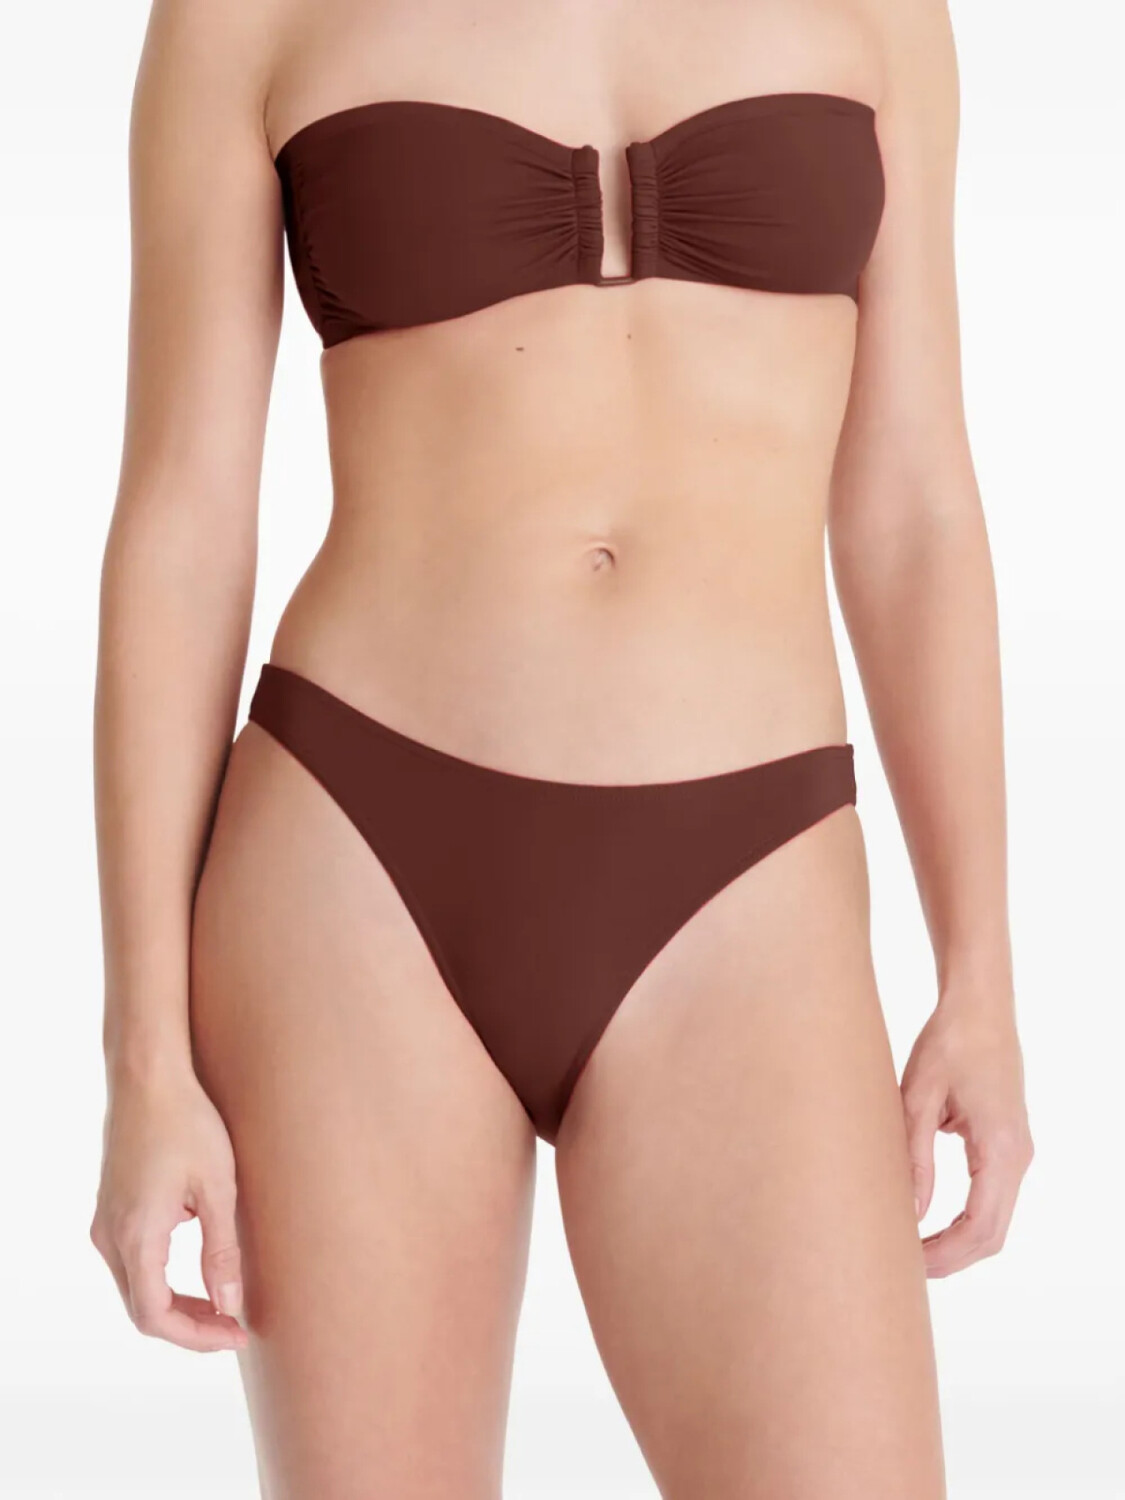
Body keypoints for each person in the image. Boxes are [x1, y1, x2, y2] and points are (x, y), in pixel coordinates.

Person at [89, 0, 1034, 1494]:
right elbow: (182, 517)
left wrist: (979, 972)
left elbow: (914, 499)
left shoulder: (881, 15)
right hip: (358, 856)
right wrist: (144, 1058)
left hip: (752, 877)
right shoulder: (242, 14)